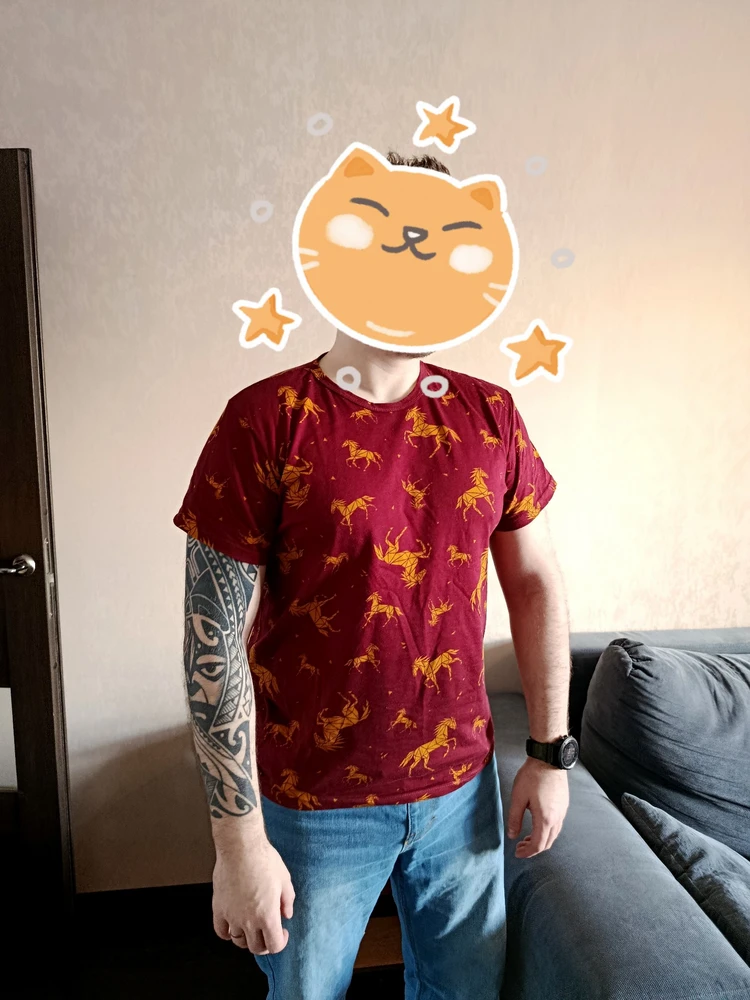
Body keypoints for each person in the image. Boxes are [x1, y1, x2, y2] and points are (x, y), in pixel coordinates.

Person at [174, 152, 573, 1000]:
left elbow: (535, 581)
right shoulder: (264, 422)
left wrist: (549, 753)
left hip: (462, 789)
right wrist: (237, 839)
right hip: (312, 805)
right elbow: (210, 638)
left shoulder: (492, 415)